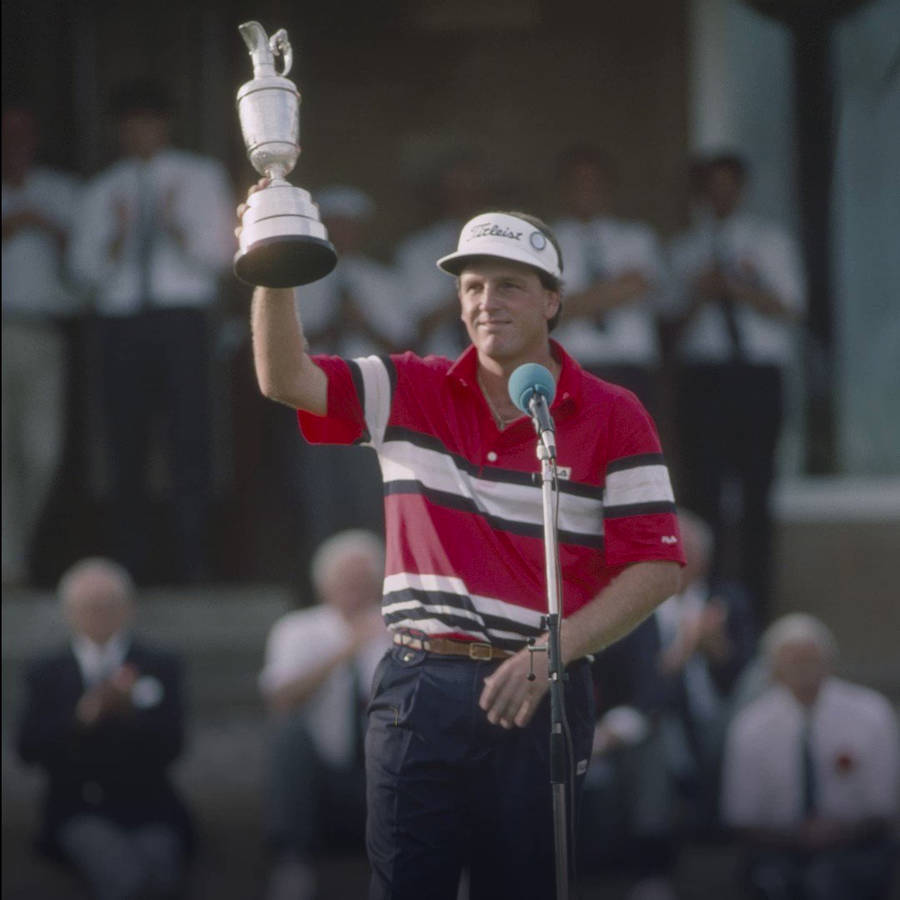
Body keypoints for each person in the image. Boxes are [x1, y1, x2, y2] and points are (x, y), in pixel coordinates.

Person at [241, 180, 685, 899]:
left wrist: (555, 653)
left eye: (509, 285)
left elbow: (657, 569)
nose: (486, 301)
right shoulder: (407, 385)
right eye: (473, 286)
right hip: (421, 682)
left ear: (552, 300)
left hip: (543, 684)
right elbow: (284, 376)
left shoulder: (614, 413)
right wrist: (271, 262)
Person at [68, 78, 234, 584]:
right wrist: (118, 238)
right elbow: (82, 272)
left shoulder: (199, 177)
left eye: (148, 121)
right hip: (122, 320)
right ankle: (130, 562)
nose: (139, 131)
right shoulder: (103, 188)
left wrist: (174, 225)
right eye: (130, 124)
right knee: (126, 439)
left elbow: (221, 256)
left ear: (164, 124)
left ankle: (192, 558)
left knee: (190, 437)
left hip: (180, 317)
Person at [579, 511, 757, 898]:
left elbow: (746, 676)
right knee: (654, 740)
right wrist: (684, 648)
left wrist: (714, 646)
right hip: (656, 725)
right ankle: (652, 871)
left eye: (688, 552)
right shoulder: (635, 612)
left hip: (722, 723)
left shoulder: (727, 601)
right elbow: (642, 690)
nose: (678, 559)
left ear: (704, 559)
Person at [666, 152, 806, 619]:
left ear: (741, 189)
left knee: (755, 492)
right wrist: (698, 293)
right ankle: (704, 604)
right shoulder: (685, 249)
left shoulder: (770, 242)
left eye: (729, 185)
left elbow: (790, 309)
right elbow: (667, 329)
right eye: (712, 186)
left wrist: (737, 287)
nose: (720, 194)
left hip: (756, 376)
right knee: (704, 494)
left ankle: (758, 610)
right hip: (705, 377)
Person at [14, 557, 194, 900]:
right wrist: (82, 718)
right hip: (79, 807)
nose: (99, 614)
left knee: (162, 877)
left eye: (108, 605)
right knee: (122, 877)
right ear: (69, 612)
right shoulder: (46, 671)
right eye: (89, 606)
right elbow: (27, 749)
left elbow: (175, 745)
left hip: (150, 807)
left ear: (128, 608)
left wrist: (129, 714)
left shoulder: (159, 663)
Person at [720, 613, 899, 900]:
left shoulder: (871, 714)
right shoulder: (750, 726)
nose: (802, 667)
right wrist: (798, 837)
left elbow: (884, 805)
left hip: (857, 845)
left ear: (830, 662)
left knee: (834, 880)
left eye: (810, 657)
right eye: (791, 658)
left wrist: (838, 833)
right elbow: (741, 815)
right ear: (773, 668)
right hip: (777, 849)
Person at [259, 529, 391, 900]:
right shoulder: (298, 629)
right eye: (345, 580)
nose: (354, 588)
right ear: (323, 584)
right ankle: (291, 863)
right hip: (319, 777)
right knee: (287, 735)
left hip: (381, 771)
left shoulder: (397, 628)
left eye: (363, 580)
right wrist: (347, 650)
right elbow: (280, 699)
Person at [2, 103, 81, 586]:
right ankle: (9, 567)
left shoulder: (62, 192)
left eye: (21, 135)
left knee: (41, 452)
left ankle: (16, 550)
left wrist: (47, 226)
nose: (14, 146)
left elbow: (91, 266)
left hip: (45, 332)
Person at [551, 145, 671, 416]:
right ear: (563, 187)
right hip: (572, 366)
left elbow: (653, 292)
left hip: (631, 365)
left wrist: (573, 301)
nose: (586, 189)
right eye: (578, 181)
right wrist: (619, 289)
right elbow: (545, 313)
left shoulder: (638, 237)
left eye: (594, 180)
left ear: (609, 186)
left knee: (630, 454)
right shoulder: (544, 242)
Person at [394, 150, 492, 356]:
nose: (465, 196)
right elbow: (414, 328)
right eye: (456, 188)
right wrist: (473, 291)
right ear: (441, 193)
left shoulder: (503, 245)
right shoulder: (417, 249)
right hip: (442, 361)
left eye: (472, 187)